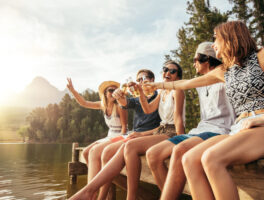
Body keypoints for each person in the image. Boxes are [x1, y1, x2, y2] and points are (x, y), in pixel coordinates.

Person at [146, 21, 264, 200]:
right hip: (240, 130)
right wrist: (157, 85)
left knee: (211, 158)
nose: (213, 44)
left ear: (229, 37)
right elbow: (186, 83)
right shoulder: (225, 71)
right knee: (189, 159)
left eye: (215, 38)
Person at [145, 42, 235, 199]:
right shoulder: (201, 81)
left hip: (221, 130)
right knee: (153, 154)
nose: (193, 63)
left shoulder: (223, 73)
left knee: (180, 150)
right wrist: (155, 86)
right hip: (200, 130)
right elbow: (183, 84)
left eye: (195, 59)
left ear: (206, 59)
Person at [69, 69, 161, 200]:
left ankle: (96, 194)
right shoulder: (135, 99)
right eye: (139, 80)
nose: (141, 82)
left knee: (100, 152)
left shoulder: (159, 96)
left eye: (144, 79)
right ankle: (95, 193)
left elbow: (126, 125)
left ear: (152, 80)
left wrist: (125, 137)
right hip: (129, 135)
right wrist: (121, 97)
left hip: (136, 135)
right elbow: (125, 102)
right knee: (90, 152)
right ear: (105, 94)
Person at [120, 60, 185, 200]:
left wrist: (182, 142)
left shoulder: (177, 90)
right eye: (165, 69)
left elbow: (178, 118)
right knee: (130, 144)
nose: (167, 73)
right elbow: (148, 109)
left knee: (131, 146)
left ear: (177, 77)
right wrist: (141, 92)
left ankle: (132, 197)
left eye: (172, 71)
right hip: (160, 131)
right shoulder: (162, 91)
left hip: (171, 131)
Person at [67, 79, 128, 184]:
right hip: (110, 135)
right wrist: (73, 91)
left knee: (94, 152)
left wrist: (119, 142)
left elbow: (124, 128)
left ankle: (96, 182)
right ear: (105, 93)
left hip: (120, 136)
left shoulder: (119, 106)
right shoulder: (102, 105)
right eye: (110, 90)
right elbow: (84, 103)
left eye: (115, 90)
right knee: (86, 152)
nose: (113, 92)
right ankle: (98, 177)